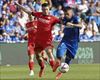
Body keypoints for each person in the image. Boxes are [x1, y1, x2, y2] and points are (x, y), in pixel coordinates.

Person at [15, 1, 60, 77]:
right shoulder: (33, 20)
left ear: (49, 9)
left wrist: (72, 24)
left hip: (46, 40)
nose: (45, 11)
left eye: (46, 9)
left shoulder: (51, 18)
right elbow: (28, 11)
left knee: (48, 53)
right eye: (44, 9)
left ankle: (55, 68)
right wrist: (18, 5)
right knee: (39, 57)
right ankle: (43, 67)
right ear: (42, 10)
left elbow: (62, 22)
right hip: (36, 42)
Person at [52, 7, 82, 80]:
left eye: (67, 14)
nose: (66, 15)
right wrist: (62, 20)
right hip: (65, 40)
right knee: (59, 52)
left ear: (71, 13)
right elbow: (61, 21)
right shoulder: (65, 18)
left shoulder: (75, 18)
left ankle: (60, 73)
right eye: (65, 14)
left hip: (74, 42)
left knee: (68, 59)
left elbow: (81, 26)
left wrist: (72, 24)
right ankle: (58, 62)